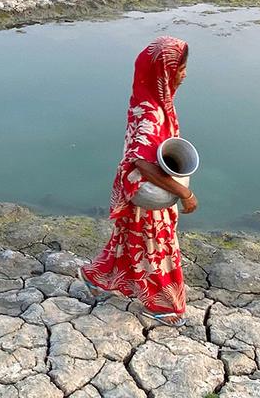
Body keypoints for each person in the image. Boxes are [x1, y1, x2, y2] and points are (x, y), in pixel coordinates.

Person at [78, 36, 197, 327]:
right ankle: (163, 306)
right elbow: (141, 163)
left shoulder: (152, 101)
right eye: (180, 68)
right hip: (147, 197)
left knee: (127, 242)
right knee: (157, 250)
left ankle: (97, 277)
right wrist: (183, 192)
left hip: (145, 194)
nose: (185, 74)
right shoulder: (151, 113)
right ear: (164, 71)